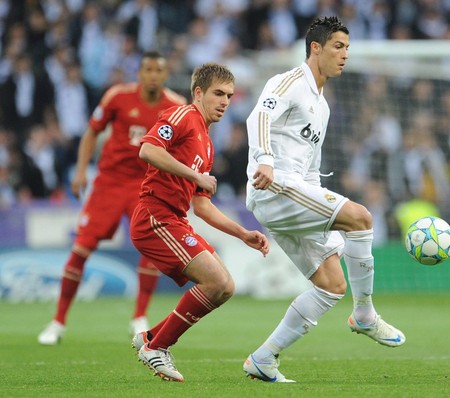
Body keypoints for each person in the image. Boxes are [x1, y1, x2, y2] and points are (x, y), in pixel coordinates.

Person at [242, 16, 405, 384]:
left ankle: (263, 358)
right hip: (275, 186)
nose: (345, 55)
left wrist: (319, 199)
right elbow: (259, 117)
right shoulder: (288, 82)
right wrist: (264, 159)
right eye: (338, 46)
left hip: (295, 194)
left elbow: (313, 169)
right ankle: (364, 315)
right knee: (361, 218)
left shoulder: (323, 106)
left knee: (332, 284)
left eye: (347, 48)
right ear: (315, 48)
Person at [129, 63, 270, 383]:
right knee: (217, 281)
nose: (224, 101)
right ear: (198, 93)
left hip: (174, 219)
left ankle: (150, 337)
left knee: (226, 287)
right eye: (218, 93)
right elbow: (148, 149)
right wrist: (194, 174)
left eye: (230, 96)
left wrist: (242, 233)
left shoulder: (206, 143)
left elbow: (201, 205)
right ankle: (157, 347)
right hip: (154, 215)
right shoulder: (182, 116)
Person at [38, 51, 187, 345]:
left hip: (146, 186)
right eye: (148, 69)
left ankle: (139, 316)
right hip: (109, 183)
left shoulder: (176, 106)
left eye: (159, 70)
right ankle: (58, 321)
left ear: (166, 74)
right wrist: (81, 171)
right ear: (140, 73)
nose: (153, 75)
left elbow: (182, 148)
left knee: (150, 247)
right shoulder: (117, 97)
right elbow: (91, 133)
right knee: (82, 248)